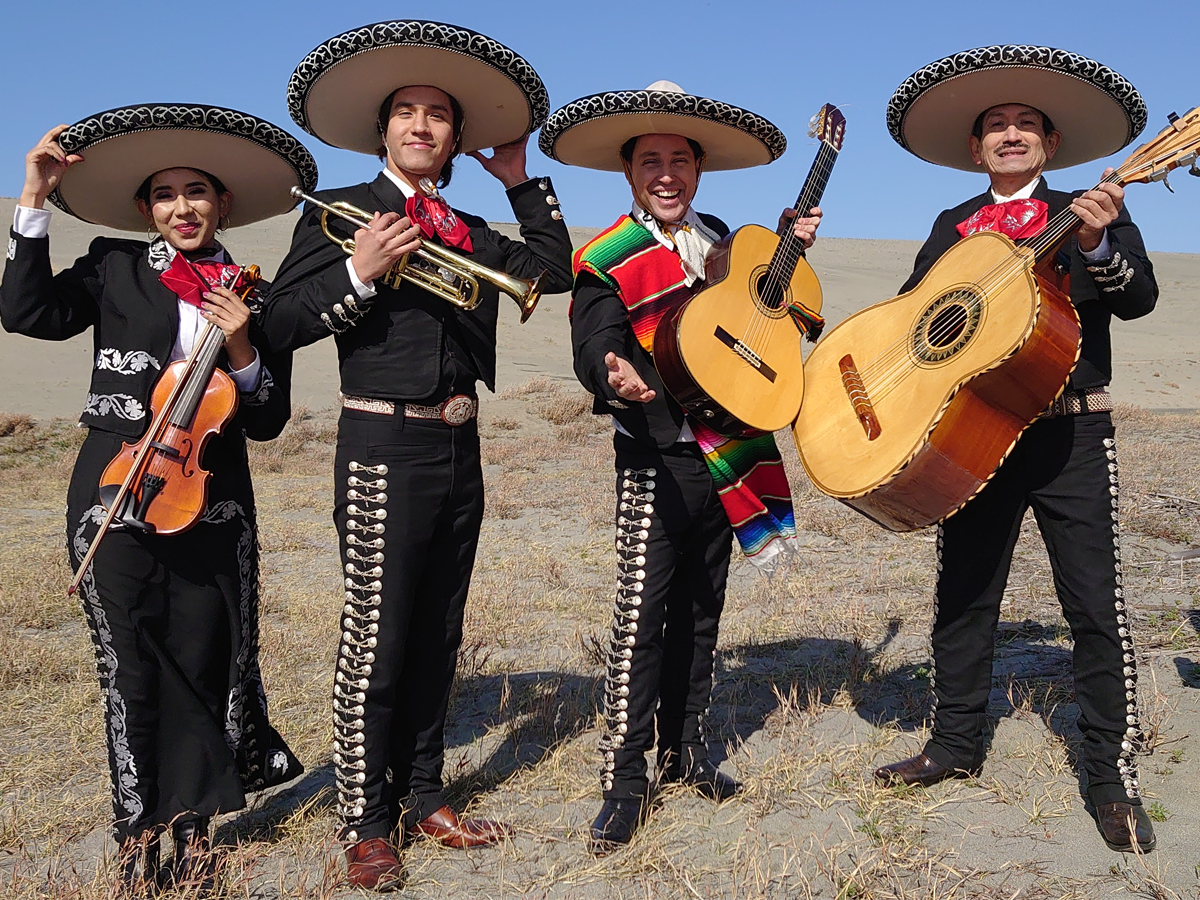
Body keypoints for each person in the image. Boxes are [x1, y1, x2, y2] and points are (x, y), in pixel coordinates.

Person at [262, 21, 573, 891]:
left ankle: (428, 792)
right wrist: (358, 273)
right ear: (385, 130)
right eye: (408, 112)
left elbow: (554, 267)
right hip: (379, 439)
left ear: (456, 138)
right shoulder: (342, 213)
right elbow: (281, 325)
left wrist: (519, 182)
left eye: (440, 115)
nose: (424, 126)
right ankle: (364, 821)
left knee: (440, 630)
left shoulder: (470, 226)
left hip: (457, 442)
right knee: (377, 637)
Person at [0, 104, 316, 894]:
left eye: (198, 192)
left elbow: (270, 417)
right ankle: (139, 830)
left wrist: (243, 343)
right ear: (147, 210)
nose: (184, 207)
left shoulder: (254, 291)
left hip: (212, 498)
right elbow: (26, 313)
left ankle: (197, 829)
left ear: (224, 205)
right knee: (132, 667)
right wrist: (33, 200)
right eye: (167, 195)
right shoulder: (113, 267)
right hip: (114, 489)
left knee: (209, 662)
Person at [873, 45, 1159, 854]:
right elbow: (915, 316)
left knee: (1093, 605)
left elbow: (1138, 297)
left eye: (1025, 125)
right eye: (995, 126)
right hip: (974, 437)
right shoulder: (952, 226)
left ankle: (1110, 776)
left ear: (1050, 147)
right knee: (964, 594)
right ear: (975, 149)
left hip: (1070, 430)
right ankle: (956, 746)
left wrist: (1101, 251)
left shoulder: (1091, 205)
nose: (1010, 134)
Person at [539, 80, 822, 853]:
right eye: (651, 161)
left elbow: (763, 320)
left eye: (680, 161)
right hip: (655, 455)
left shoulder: (727, 240)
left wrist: (793, 254)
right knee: (640, 623)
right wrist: (610, 372)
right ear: (629, 175)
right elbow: (591, 337)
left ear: (699, 172)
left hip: (727, 454)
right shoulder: (606, 256)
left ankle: (687, 752)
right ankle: (625, 783)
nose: (667, 174)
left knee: (702, 614)